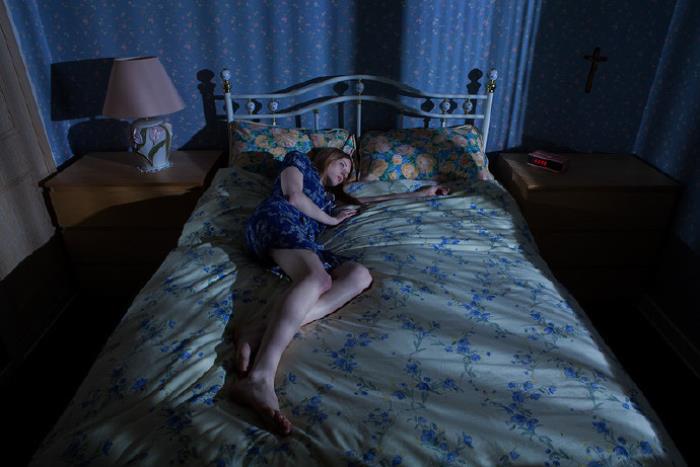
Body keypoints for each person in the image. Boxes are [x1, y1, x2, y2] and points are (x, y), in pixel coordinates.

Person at [227, 148, 449, 435]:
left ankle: (258, 329)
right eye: (343, 164)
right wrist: (331, 221)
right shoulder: (298, 161)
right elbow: (294, 197)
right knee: (318, 279)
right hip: (276, 219)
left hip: (302, 239)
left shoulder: (329, 199)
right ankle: (259, 376)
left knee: (358, 276)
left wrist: (420, 194)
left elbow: (367, 201)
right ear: (326, 157)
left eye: (349, 171)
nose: (346, 172)